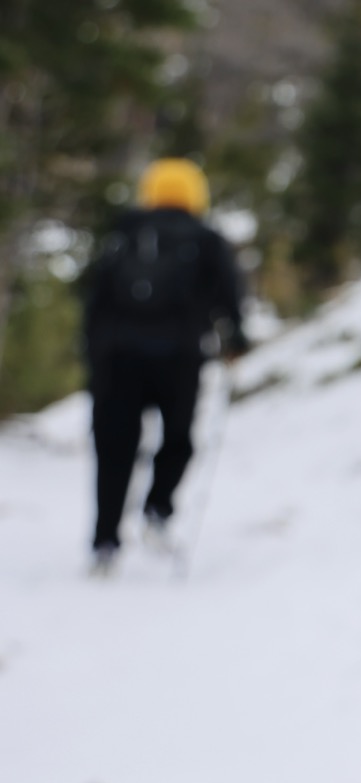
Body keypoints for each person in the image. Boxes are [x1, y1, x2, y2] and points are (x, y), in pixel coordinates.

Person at [83, 158, 249, 575]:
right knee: (178, 439)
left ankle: (105, 540)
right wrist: (236, 340)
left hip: (117, 358)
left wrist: (92, 352)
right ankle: (157, 509)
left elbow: (95, 299)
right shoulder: (207, 239)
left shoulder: (125, 234)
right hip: (179, 358)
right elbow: (230, 296)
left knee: (114, 449)